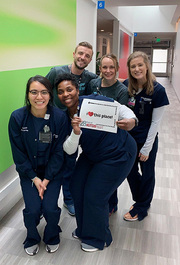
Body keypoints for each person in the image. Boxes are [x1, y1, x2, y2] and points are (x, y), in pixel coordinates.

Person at [55, 73, 137, 252]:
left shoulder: (93, 101)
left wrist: (132, 120)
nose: (66, 94)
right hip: (93, 154)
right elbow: (69, 150)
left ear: (77, 90)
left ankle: (99, 238)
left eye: (69, 89)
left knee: (95, 194)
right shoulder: (63, 118)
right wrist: (76, 132)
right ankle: (85, 229)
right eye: (60, 92)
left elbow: (121, 109)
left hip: (118, 153)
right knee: (76, 187)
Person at [8, 75, 68, 255]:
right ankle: (32, 237)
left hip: (53, 173)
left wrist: (47, 179)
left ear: (50, 95)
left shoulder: (59, 117)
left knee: (50, 208)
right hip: (29, 173)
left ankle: (51, 235)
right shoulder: (17, 118)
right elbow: (18, 154)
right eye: (34, 92)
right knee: (33, 209)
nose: (39, 97)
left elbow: (59, 152)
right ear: (27, 95)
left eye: (44, 92)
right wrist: (35, 179)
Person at [46, 41, 98, 216]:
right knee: (49, 161)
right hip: (53, 124)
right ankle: (43, 200)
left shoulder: (90, 78)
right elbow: (43, 92)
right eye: (80, 53)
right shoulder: (56, 72)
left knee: (69, 162)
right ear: (74, 54)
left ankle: (68, 199)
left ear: (90, 60)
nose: (83, 58)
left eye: (87, 56)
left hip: (73, 124)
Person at [121, 51, 169, 221]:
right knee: (129, 171)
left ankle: (142, 207)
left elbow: (155, 123)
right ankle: (142, 200)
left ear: (147, 66)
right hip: (129, 139)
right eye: (133, 66)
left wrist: (147, 148)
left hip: (147, 139)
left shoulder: (158, 90)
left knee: (147, 173)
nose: (137, 69)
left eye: (140, 65)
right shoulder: (127, 86)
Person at [87, 53, 129, 215]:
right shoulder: (93, 84)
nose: (108, 70)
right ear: (100, 69)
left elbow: (120, 116)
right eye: (105, 67)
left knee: (108, 174)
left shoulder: (121, 91)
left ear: (117, 69)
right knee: (95, 173)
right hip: (93, 137)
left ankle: (112, 204)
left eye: (112, 67)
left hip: (111, 139)